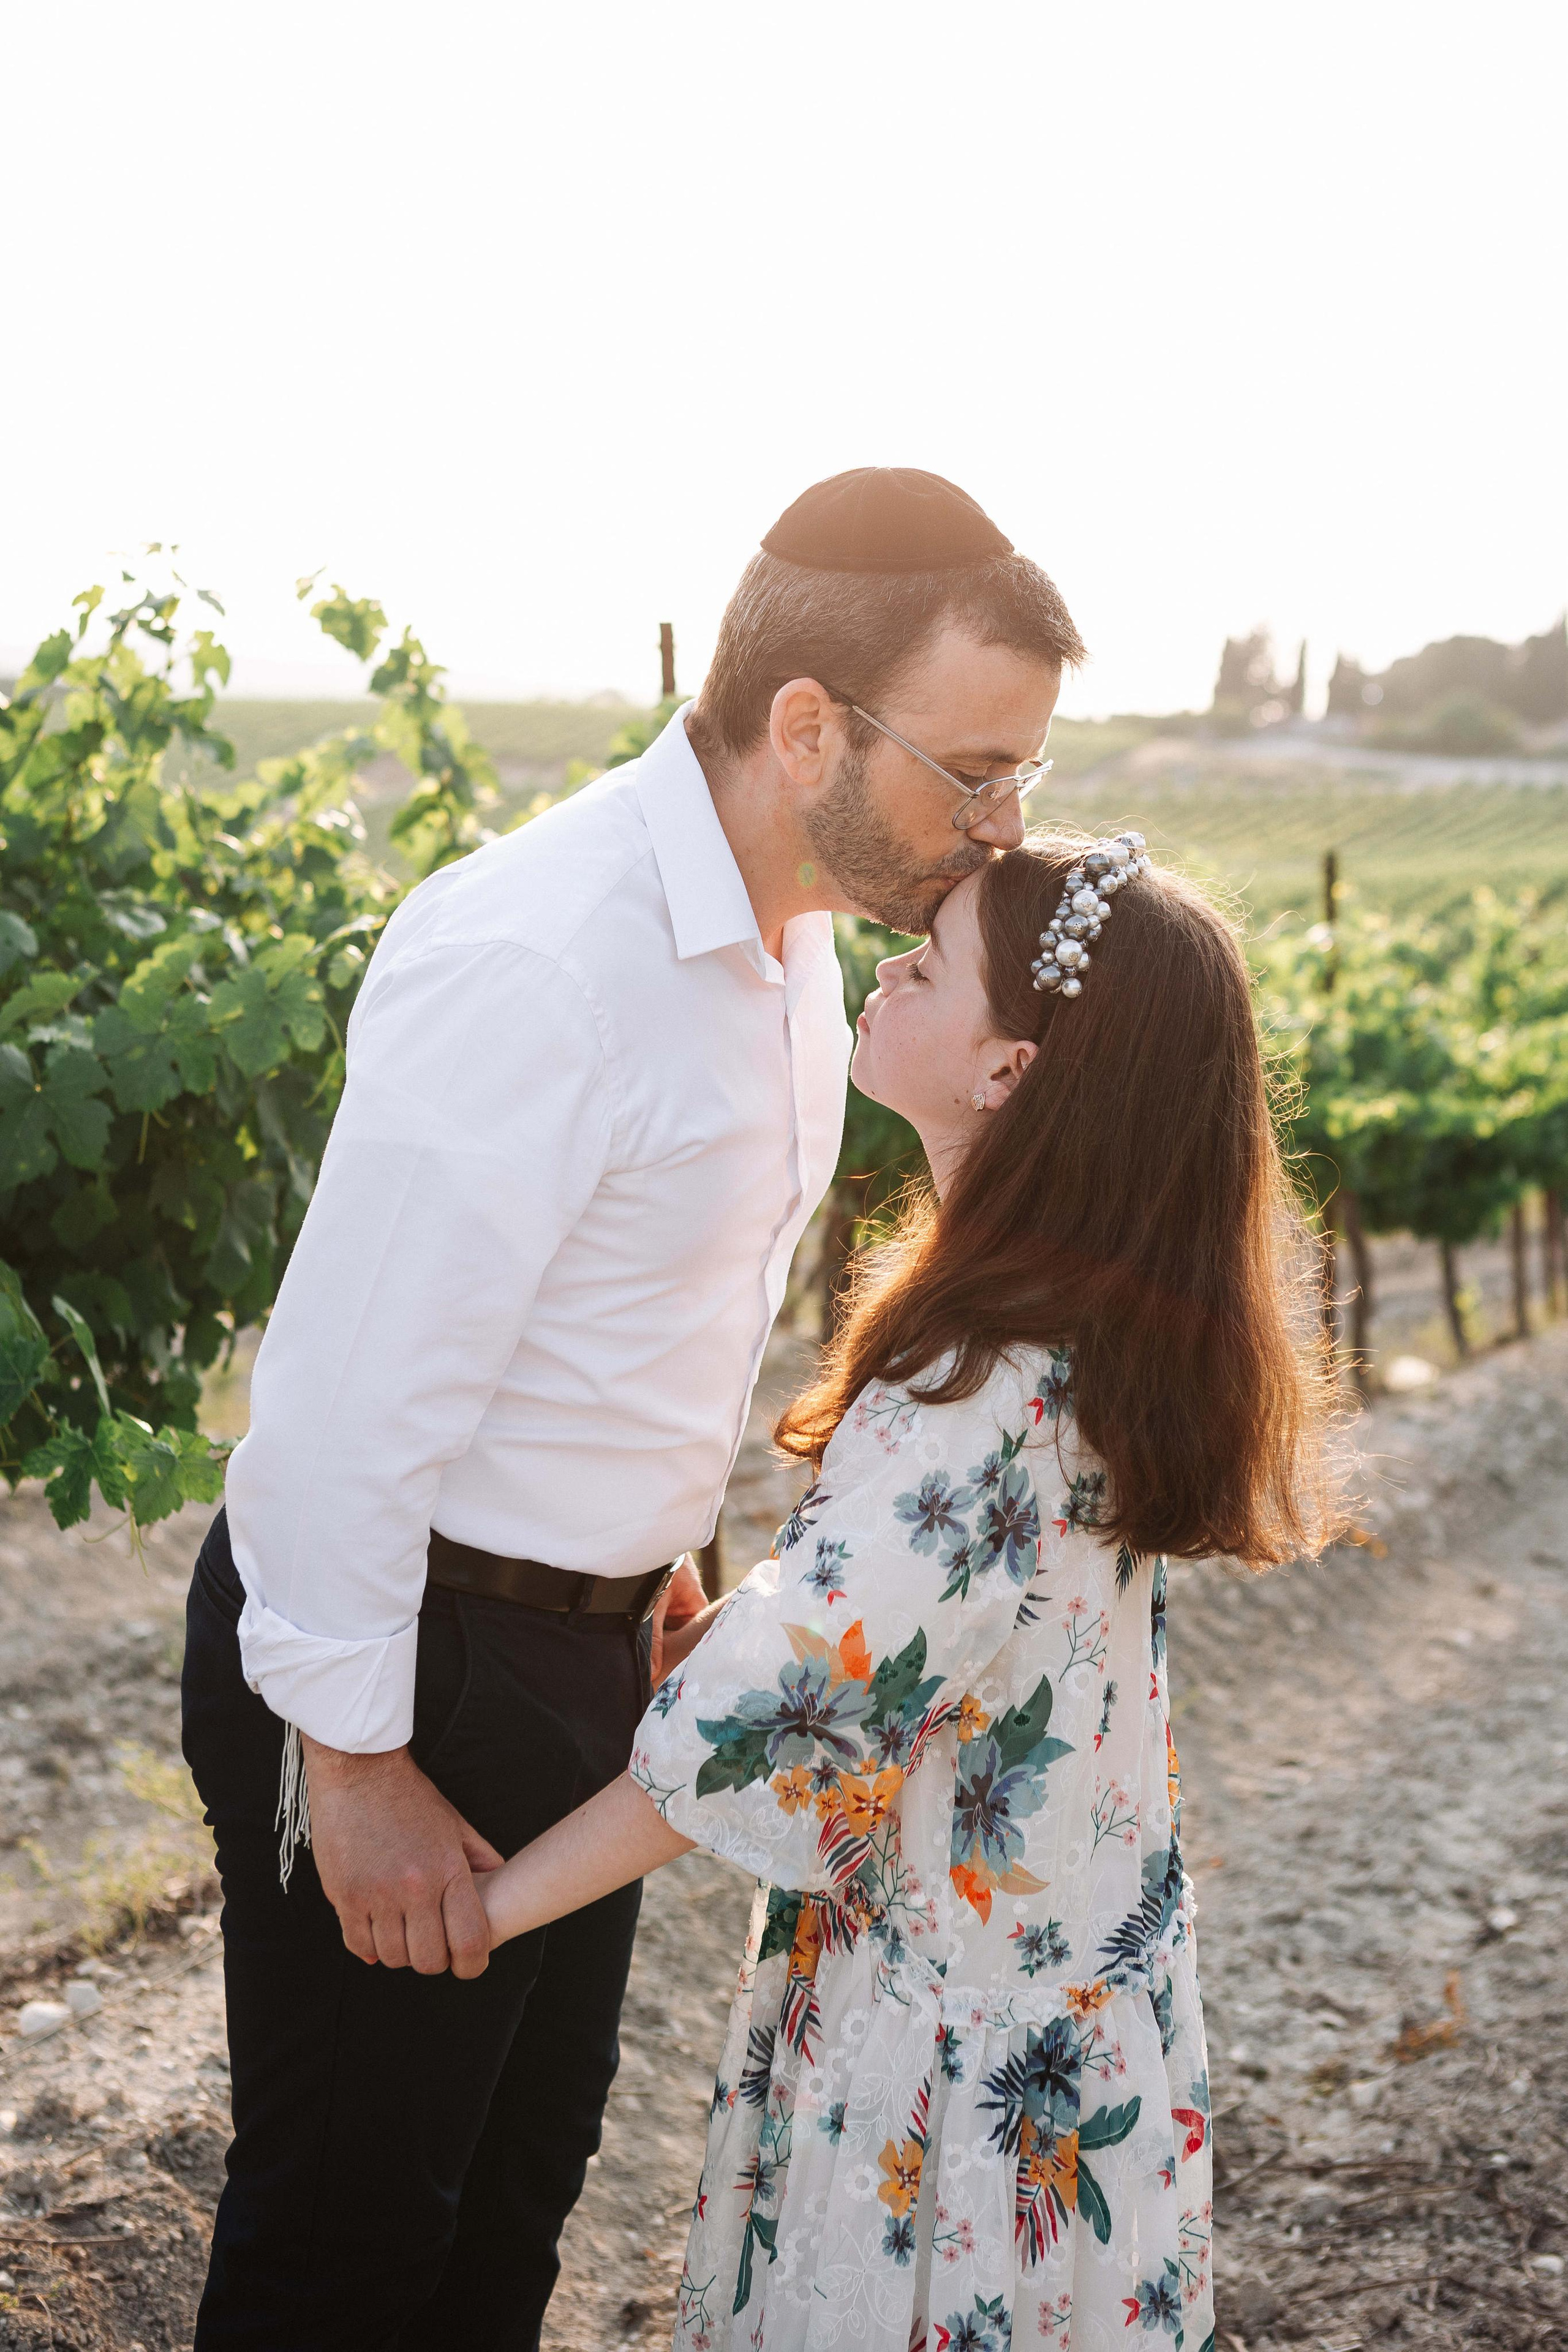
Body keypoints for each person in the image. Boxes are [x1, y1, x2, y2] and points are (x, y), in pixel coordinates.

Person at [179, 467, 1086, 2348]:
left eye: (1025, 776)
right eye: (977, 772)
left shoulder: (800, 941)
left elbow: (646, 1316)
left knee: (507, 2216)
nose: (1002, 828)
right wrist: (353, 1766)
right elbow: (339, 1406)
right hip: (412, 1654)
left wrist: (674, 1553)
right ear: (809, 728)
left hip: (595, 1654)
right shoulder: (545, 956)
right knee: (349, 2240)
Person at [478, 833, 1335, 2350]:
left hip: (944, 2073)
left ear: (1009, 1068)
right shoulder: (1082, 1338)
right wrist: (734, 1629)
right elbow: (939, 1640)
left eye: (928, 963)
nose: (886, 964)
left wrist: (482, 1911)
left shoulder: (978, 1388)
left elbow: (766, 1730)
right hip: (1064, 2029)